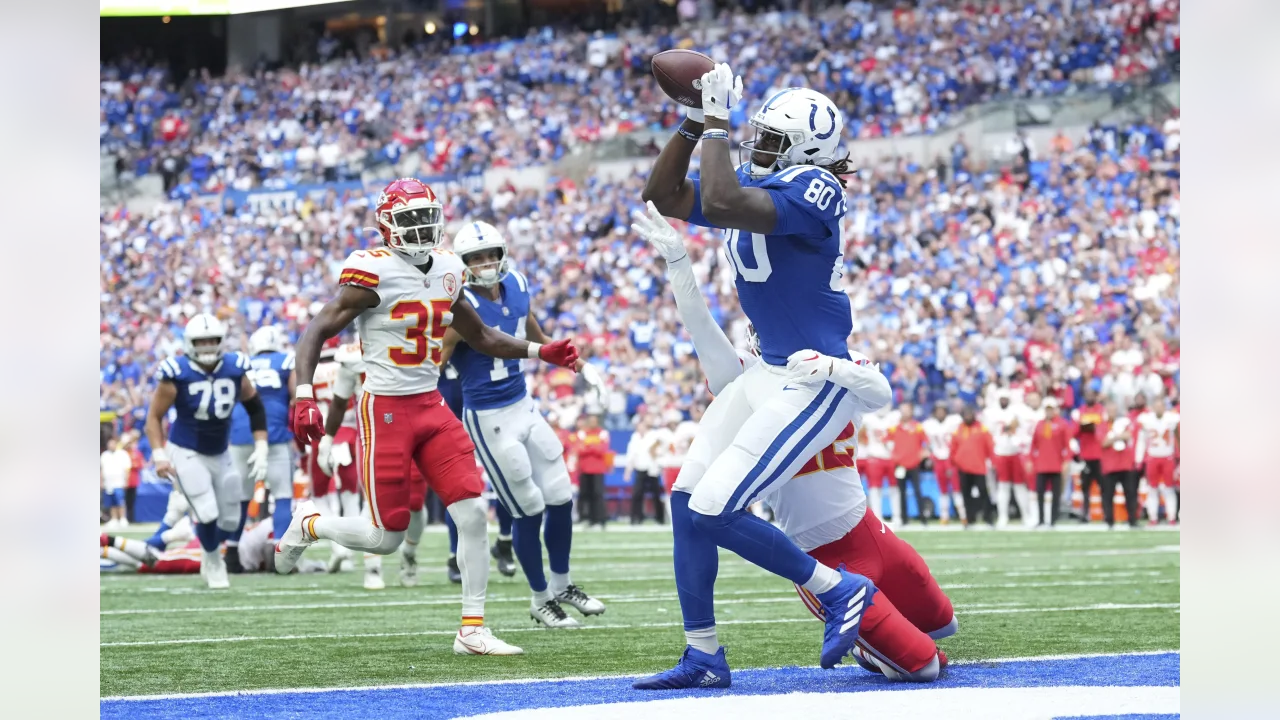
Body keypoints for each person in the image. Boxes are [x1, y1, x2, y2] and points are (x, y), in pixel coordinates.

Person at [632, 67, 878, 688]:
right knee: (688, 504)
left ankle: (838, 588)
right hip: (766, 372)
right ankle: (703, 654)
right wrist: (693, 123)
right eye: (756, 134)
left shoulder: (818, 188)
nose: (756, 146)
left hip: (813, 378)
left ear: (808, 152)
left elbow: (719, 202)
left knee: (717, 507)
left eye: (772, 138)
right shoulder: (759, 181)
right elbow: (663, 195)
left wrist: (716, 122)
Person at [639, 218, 954, 684]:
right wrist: (679, 265)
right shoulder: (744, 381)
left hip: (870, 531)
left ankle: (873, 643)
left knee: (945, 623)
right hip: (819, 554)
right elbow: (703, 332)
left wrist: (830, 366)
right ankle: (855, 626)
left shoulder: (831, 365)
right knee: (924, 666)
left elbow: (879, 388)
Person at [278, 177, 581, 656]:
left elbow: (480, 335)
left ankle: (472, 629)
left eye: (426, 217)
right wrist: (302, 393)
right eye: (410, 219)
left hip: (432, 405)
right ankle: (311, 522)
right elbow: (317, 329)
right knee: (385, 538)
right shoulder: (370, 270)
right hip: (386, 410)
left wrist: (541, 350)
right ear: (386, 226)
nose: (420, 227)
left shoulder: (446, 267)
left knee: (473, 514)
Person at [439, 220, 605, 627]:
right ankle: (540, 598)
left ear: (502, 254)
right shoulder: (458, 307)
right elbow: (433, 364)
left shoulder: (517, 284)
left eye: (488, 255)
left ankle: (563, 584)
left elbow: (531, 331)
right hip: (488, 416)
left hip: (523, 403)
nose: (484, 264)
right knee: (527, 507)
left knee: (560, 493)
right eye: (474, 259)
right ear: (462, 264)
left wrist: (577, 363)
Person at [144, 313, 270, 589]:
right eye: (201, 341)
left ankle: (197, 541)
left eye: (212, 340)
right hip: (185, 450)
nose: (207, 346)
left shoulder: (235, 367)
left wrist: (261, 446)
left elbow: (255, 407)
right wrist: (159, 455)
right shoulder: (176, 372)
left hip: (220, 451)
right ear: (189, 343)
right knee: (207, 511)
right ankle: (213, 561)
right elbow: (153, 417)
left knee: (229, 520)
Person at [316, 339, 391, 590]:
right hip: (359, 432)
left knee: (323, 497)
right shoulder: (352, 357)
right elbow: (341, 402)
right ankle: (371, 567)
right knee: (365, 500)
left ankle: (336, 545)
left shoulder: (324, 366)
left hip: (334, 432)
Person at [227, 325, 297, 573]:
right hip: (273, 434)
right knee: (283, 495)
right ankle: (278, 552)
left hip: (239, 433)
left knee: (240, 499)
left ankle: (232, 553)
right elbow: (297, 395)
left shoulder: (241, 362)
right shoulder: (286, 360)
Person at [1137, 397, 1180, 525]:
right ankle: (1153, 517)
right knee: (1152, 489)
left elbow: (1179, 435)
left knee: (1169, 489)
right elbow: (1141, 439)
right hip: (1153, 456)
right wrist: (1139, 458)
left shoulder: (1173, 418)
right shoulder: (1146, 419)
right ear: (1152, 407)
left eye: (1161, 406)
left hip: (1168, 456)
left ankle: (1171, 517)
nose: (1159, 409)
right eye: (1156, 406)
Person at [983, 390, 1023, 527]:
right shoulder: (990, 413)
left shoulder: (1016, 412)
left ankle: (1026, 515)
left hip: (1015, 451)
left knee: (1019, 486)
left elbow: (1021, 431)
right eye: (1002, 398)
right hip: (999, 451)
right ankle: (1002, 516)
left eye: (1006, 398)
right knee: (1002, 486)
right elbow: (988, 435)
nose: (1004, 401)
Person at [950, 407, 995, 527]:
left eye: (970, 414)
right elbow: (953, 447)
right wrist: (954, 461)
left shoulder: (982, 428)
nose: (968, 416)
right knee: (966, 494)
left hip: (979, 466)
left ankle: (988, 518)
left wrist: (991, 460)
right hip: (963, 467)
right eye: (966, 414)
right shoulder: (958, 430)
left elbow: (990, 445)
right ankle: (970, 519)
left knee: (983, 493)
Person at [1029, 404, 1072, 528]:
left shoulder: (1062, 424)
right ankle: (1041, 519)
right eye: (1047, 409)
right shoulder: (1039, 425)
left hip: (1056, 465)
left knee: (1056, 494)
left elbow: (1067, 445)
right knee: (1040, 493)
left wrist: (1066, 461)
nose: (1049, 412)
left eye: (1051, 409)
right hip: (1041, 465)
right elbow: (1033, 445)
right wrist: (1031, 460)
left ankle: (1053, 520)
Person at [1099, 400, 1139, 529]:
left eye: (1114, 410)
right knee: (1108, 495)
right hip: (1110, 466)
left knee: (1131, 493)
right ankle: (1109, 521)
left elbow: (1129, 435)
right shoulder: (1103, 425)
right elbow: (1103, 442)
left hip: (1125, 464)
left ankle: (1132, 520)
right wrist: (1118, 436)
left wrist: (1114, 437)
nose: (1112, 413)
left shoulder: (1123, 423)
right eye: (1110, 410)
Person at [888, 403, 929, 526]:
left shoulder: (917, 427)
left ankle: (923, 518)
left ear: (911, 412)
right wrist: (894, 456)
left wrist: (923, 454)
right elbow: (886, 441)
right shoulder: (894, 428)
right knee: (901, 492)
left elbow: (926, 442)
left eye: (906, 410)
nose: (904, 413)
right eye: (902, 411)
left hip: (914, 464)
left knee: (917, 491)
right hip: (900, 465)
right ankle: (904, 519)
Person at [922, 403, 963, 525]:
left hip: (951, 459)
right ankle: (944, 516)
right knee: (943, 490)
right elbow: (926, 443)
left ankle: (963, 515)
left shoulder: (954, 421)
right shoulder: (929, 425)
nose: (940, 413)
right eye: (938, 411)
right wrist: (929, 455)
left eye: (942, 410)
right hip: (938, 459)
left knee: (956, 488)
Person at [573, 414, 612, 530]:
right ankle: (587, 519)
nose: (592, 423)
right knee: (585, 495)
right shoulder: (582, 433)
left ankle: (600, 520)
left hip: (598, 469)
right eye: (590, 421)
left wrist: (588, 447)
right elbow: (579, 449)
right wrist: (594, 446)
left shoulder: (602, 433)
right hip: (584, 469)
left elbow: (603, 450)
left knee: (598, 494)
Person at [1073, 390, 1106, 523]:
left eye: (1091, 395)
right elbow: (1074, 431)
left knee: (1103, 486)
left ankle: (1105, 513)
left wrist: (1095, 428)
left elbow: (1104, 429)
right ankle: (1085, 513)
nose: (1089, 397)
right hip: (1086, 454)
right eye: (1087, 395)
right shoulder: (1080, 411)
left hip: (1099, 455)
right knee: (1085, 487)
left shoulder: (1101, 411)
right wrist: (1082, 428)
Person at [625, 418, 665, 524]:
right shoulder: (635, 437)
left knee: (656, 494)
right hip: (640, 468)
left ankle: (660, 518)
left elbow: (659, 451)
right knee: (637, 494)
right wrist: (628, 471)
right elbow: (631, 455)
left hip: (652, 469)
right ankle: (636, 518)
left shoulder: (654, 436)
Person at [100, 437, 133, 529]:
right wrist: (101, 481)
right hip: (108, 483)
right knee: (111, 502)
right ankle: (114, 519)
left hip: (119, 481)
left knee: (120, 501)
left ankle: (122, 518)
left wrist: (126, 480)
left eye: (113, 443)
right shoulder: (104, 455)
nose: (111, 445)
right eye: (109, 444)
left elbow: (127, 468)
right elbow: (101, 469)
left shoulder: (122, 454)